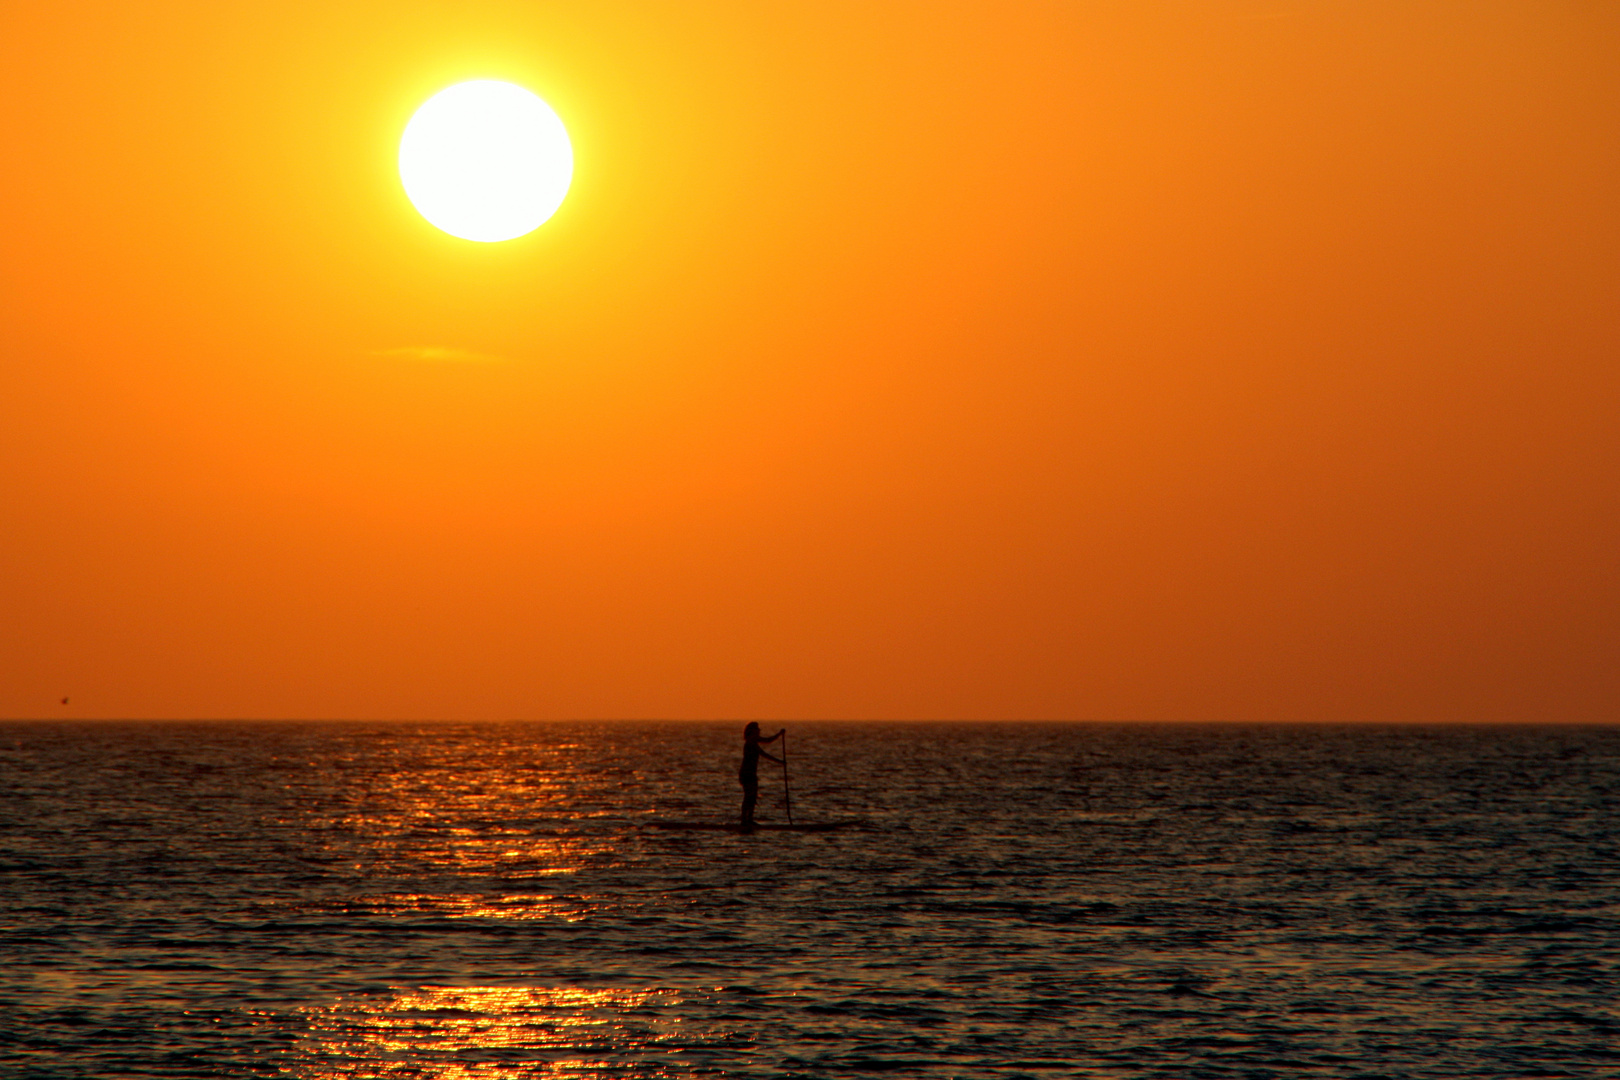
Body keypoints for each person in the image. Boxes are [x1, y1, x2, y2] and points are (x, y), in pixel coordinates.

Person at [739, 722, 784, 831]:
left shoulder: (754, 742)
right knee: (749, 796)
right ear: (752, 731)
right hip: (746, 774)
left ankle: (749, 819)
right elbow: (766, 747)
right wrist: (779, 734)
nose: (759, 730)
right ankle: (744, 820)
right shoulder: (751, 742)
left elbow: (766, 748)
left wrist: (779, 762)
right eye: (757, 729)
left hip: (752, 774)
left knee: (752, 797)